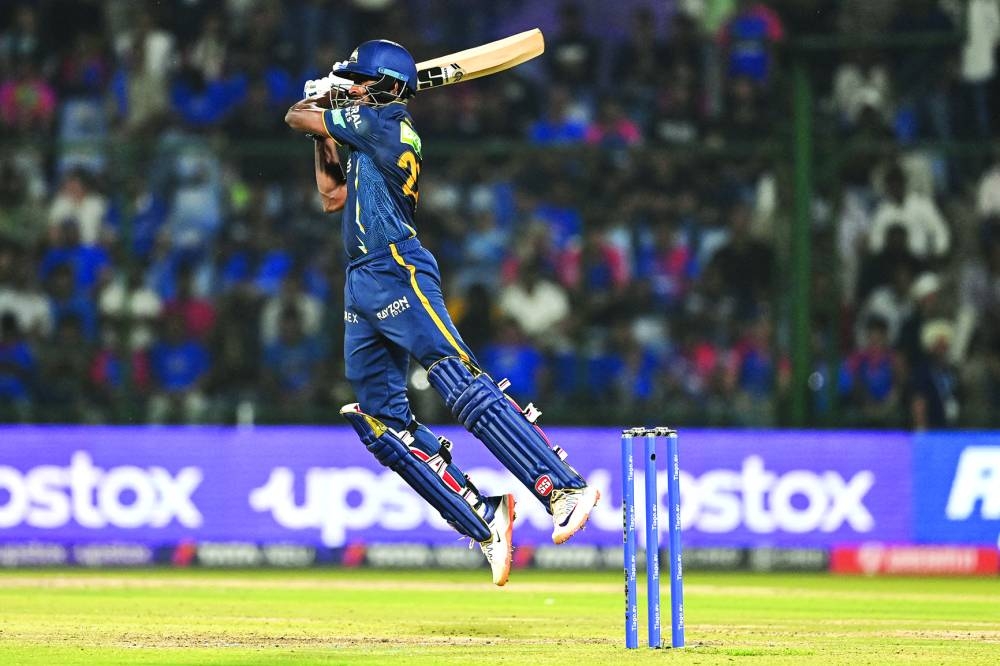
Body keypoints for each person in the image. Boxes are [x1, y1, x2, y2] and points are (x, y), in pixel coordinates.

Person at [284, 40, 600, 586]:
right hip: (361, 279)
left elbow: (295, 116)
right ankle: (484, 515)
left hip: (397, 266)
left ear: (380, 85)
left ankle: (562, 487)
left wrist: (321, 100)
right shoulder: (364, 129)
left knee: (456, 377)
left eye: (358, 80)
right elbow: (331, 195)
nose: (352, 86)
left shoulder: (385, 123)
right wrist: (327, 124)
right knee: (379, 418)